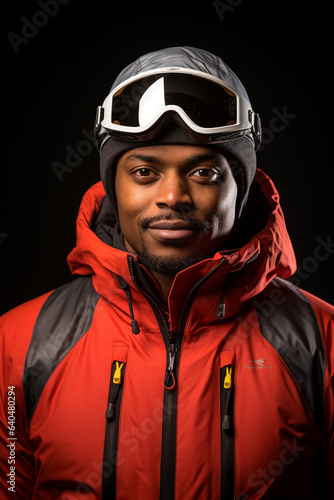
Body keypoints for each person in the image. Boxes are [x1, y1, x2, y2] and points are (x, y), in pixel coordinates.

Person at [0, 46, 333, 500]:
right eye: (144, 171)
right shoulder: (19, 344)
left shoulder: (324, 341)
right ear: (112, 189)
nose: (172, 195)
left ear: (242, 187)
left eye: (203, 172)